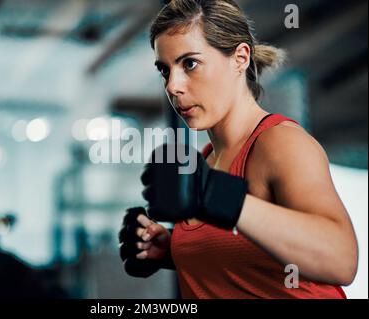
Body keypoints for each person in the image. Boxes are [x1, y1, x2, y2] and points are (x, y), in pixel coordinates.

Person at [119, 0, 358, 299]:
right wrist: (169, 251)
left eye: (190, 63)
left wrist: (219, 196)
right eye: (165, 70)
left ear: (240, 58)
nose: (172, 86)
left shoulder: (280, 143)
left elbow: (341, 260)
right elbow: (246, 263)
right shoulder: (206, 162)